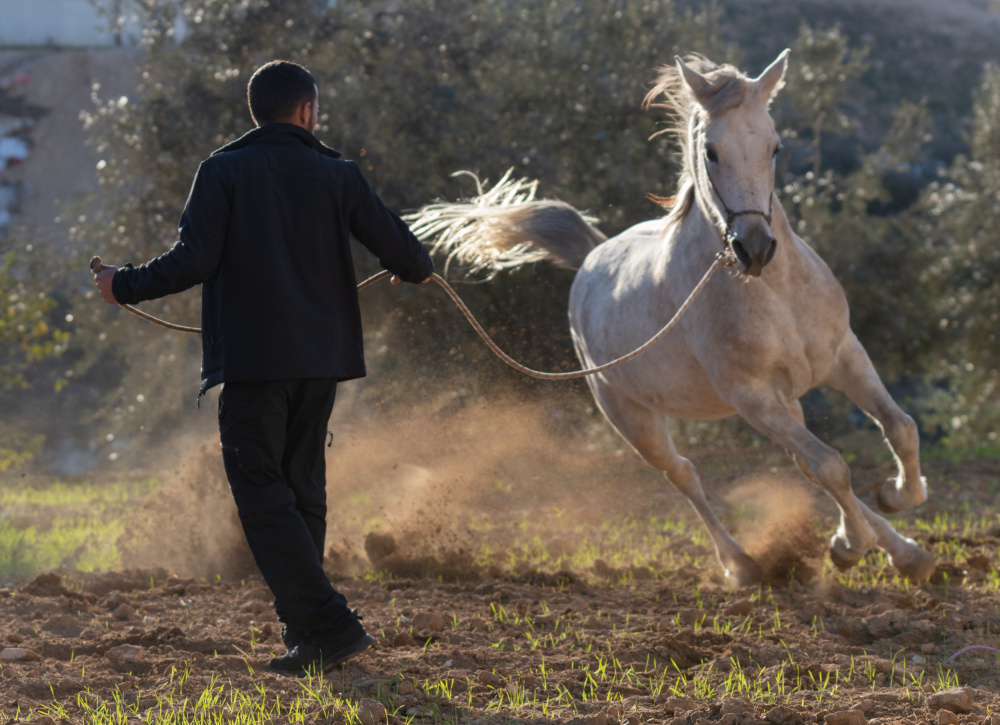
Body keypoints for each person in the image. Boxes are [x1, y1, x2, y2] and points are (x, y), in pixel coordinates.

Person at [93, 60, 434, 676]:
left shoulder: (222, 171)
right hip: (322, 363)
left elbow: (192, 260)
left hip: (254, 362)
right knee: (301, 488)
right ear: (307, 111)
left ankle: (329, 625)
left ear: (257, 111)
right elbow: (411, 257)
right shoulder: (341, 175)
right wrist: (409, 266)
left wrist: (124, 284)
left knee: (260, 493)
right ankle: (310, 636)